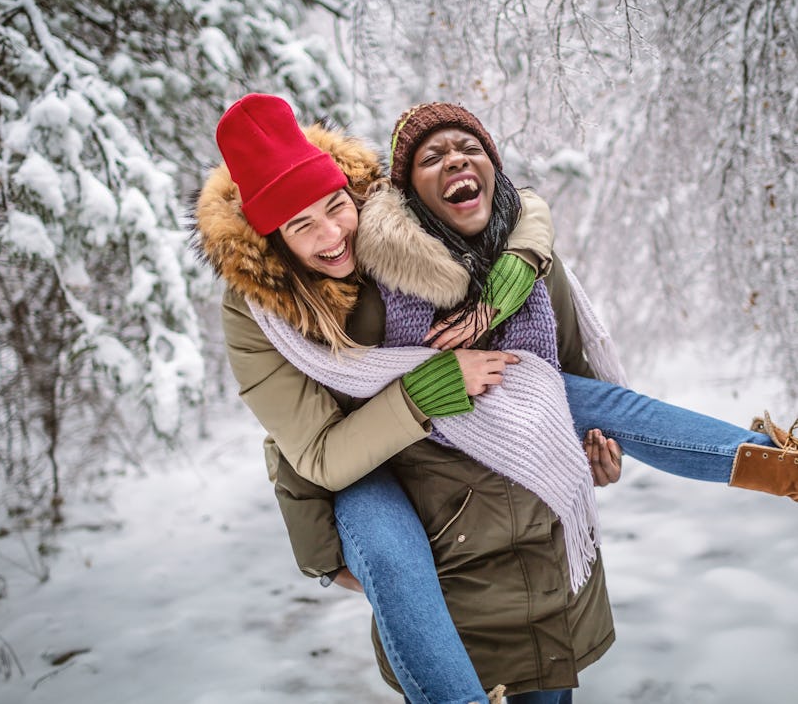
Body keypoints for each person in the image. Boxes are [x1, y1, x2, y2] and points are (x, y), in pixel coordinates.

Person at [195, 94, 797, 703]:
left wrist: (521, 261)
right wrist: (325, 547)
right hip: (379, 475)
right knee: (399, 569)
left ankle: (781, 466)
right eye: (302, 225)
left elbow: (504, 203)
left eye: (334, 207)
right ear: (272, 242)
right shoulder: (258, 317)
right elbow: (309, 451)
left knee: (574, 394)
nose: (333, 234)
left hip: (495, 439)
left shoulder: (381, 216)